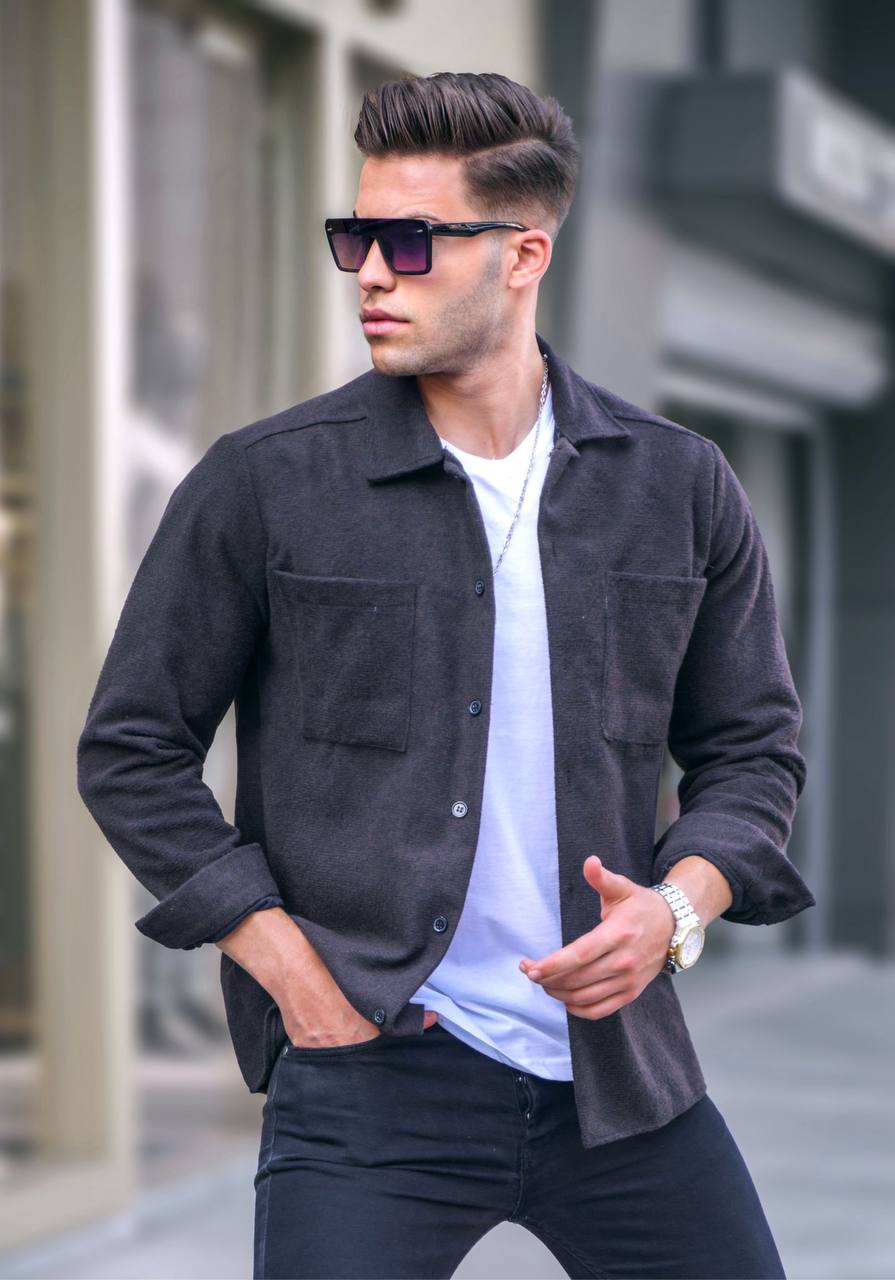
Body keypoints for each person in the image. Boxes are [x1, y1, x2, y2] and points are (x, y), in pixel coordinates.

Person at [77, 71, 816, 1279]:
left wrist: (675, 910)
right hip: (369, 1071)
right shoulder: (267, 480)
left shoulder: (676, 485)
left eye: (411, 242)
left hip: (620, 1078)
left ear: (522, 254)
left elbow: (752, 749)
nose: (371, 273)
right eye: (356, 237)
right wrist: (291, 973)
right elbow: (131, 748)